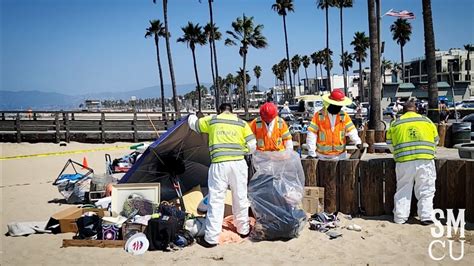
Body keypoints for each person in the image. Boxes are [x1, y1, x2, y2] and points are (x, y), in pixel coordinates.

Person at [188, 103, 256, 247]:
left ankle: (211, 238)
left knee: (216, 200)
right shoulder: (242, 123)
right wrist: (241, 150)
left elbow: (194, 125)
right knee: (240, 197)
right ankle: (243, 229)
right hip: (238, 164)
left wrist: (192, 114)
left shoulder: (213, 120)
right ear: (232, 111)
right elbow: (252, 145)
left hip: (219, 164)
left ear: (219, 111)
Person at [386, 98, 439, 225]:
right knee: (426, 188)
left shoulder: (395, 123)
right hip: (425, 160)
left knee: (403, 188)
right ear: (416, 110)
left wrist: (397, 153)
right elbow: (436, 140)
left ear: (403, 111)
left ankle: (400, 217)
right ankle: (426, 216)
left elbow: (389, 144)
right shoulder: (427, 121)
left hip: (404, 161)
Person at [306, 89, 362, 159]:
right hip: (322, 156)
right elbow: (311, 134)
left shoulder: (344, 116)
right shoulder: (318, 115)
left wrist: (358, 142)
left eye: (339, 106)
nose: (338, 108)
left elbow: (351, 130)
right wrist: (312, 153)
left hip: (340, 156)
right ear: (330, 103)